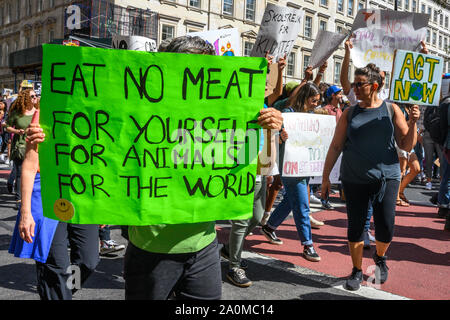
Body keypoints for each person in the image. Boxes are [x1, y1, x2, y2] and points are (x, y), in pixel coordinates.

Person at [121, 36, 283, 300]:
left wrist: (269, 132)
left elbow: (263, 167)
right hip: (151, 249)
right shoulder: (142, 112)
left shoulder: (226, 117)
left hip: (204, 246)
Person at [321, 63, 420, 291]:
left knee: (386, 226)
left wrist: (413, 122)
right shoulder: (349, 113)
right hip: (354, 178)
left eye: (359, 84)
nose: (354, 88)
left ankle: (380, 257)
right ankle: (356, 269)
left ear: (374, 86)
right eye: (354, 84)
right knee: (355, 227)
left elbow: (406, 144)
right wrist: (326, 177)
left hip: (387, 178)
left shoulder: (391, 110)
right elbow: (336, 146)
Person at [9, 110, 100, 300]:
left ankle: (64, 290)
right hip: (46, 193)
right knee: (55, 265)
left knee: (88, 260)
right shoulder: (47, 111)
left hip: (81, 193)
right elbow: (29, 166)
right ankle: (58, 293)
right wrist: (26, 212)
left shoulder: (96, 111)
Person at [220, 53, 286, 288]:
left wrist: (274, 69)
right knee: (240, 220)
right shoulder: (234, 101)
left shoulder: (264, 104)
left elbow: (276, 94)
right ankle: (234, 266)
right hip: (238, 168)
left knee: (257, 217)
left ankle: (228, 250)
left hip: (258, 168)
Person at [261, 81, 324, 262]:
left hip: (304, 164)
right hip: (290, 166)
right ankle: (308, 244)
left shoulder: (311, 117)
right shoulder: (287, 115)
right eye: (313, 100)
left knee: (291, 199)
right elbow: (272, 139)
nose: (316, 104)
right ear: (305, 98)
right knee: (302, 205)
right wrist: (281, 138)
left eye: (318, 101)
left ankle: (270, 226)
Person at [5, 89, 37, 208]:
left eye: (36, 95)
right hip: (20, 146)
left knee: (34, 173)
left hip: (35, 148)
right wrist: (17, 131)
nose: (35, 97)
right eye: (32, 96)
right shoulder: (18, 113)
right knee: (20, 173)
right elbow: (7, 127)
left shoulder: (39, 112)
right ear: (26, 99)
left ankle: (30, 197)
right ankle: (19, 199)